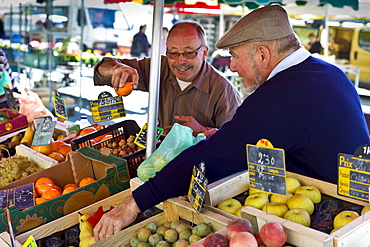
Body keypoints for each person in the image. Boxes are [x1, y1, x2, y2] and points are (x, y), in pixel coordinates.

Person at [93, 5, 370, 241]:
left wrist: (135, 203)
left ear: (262, 54)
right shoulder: (330, 74)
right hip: (349, 213)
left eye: (236, 57)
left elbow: (213, 156)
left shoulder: (279, 97)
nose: (232, 67)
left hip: (331, 225)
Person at [94, 21, 242, 136]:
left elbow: (233, 141)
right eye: (173, 52)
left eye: (189, 52)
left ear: (204, 53)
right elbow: (101, 70)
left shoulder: (223, 91)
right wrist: (116, 69)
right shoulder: (159, 67)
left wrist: (200, 131)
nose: (180, 61)